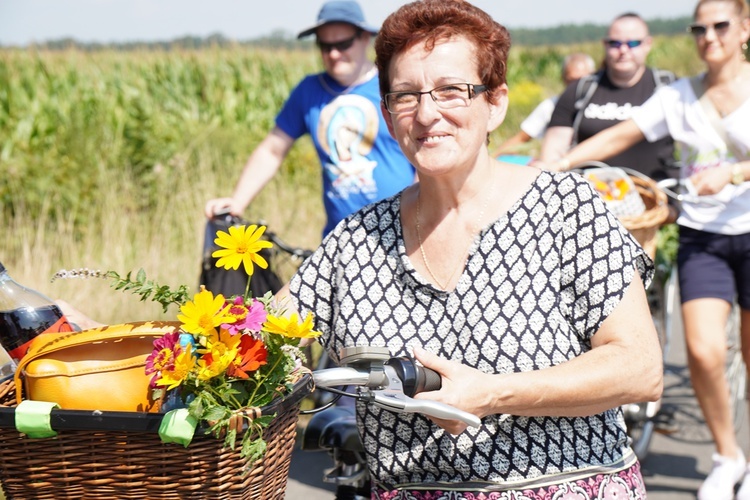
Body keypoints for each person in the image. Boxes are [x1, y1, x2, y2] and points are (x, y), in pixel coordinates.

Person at [284, 0, 663, 497]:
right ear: (386, 112)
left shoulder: (567, 209)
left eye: (451, 91)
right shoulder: (355, 242)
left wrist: (493, 392)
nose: (426, 113)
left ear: (496, 103)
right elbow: (265, 334)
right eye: (406, 95)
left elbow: (639, 367)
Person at [539, 1, 750, 498]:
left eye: (721, 26)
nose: (709, 36)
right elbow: (623, 134)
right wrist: (561, 163)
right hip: (703, 237)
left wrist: (737, 172)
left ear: (744, 28)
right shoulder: (679, 97)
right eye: (700, 28)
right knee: (701, 350)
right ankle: (727, 456)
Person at [203, 0, 415, 237]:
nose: (334, 53)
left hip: (401, 230)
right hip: (341, 238)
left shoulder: (390, 87)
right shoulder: (310, 92)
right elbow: (272, 150)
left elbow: (421, 154)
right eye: (325, 46)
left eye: (343, 44)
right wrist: (237, 202)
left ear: (365, 38)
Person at [539, 12, 676, 180]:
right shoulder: (580, 90)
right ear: (604, 45)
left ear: (648, 44)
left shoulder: (669, 88)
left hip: (656, 195)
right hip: (590, 197)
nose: (623, 50)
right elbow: (553, 152)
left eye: (633, 43)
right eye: (615, 43)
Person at [491, 52, 596, 157]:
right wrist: (492, 158)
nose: (576, 86)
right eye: (572, 81)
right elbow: (521, 138)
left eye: (582, 81)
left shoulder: (604, 106)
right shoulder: (550, 106)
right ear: (563, 78)